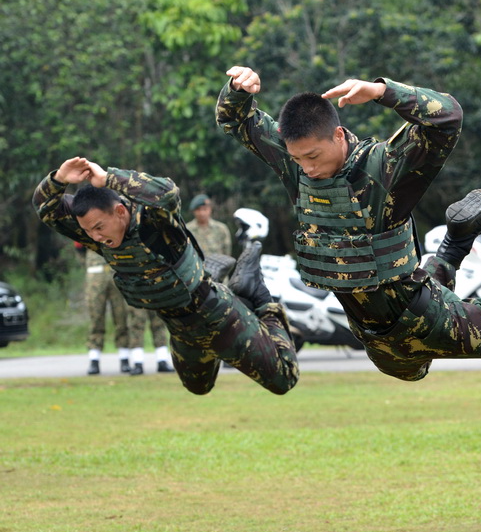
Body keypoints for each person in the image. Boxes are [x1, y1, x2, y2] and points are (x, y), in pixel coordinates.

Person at [216, 65, 481, 381]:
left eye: (314, 156)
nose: (308, 168)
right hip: (374, 337)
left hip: (422, 316)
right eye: (299, 159)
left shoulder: (383, 169)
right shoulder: (296, 162)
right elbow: (236, 120)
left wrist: (383, 91)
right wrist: (238, 88)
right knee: (408, 370)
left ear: (337, 135)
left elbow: (448, 117)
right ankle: (455, 242)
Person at [34, 157, 299, 395]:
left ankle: (256, 295)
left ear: (120, 211)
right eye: (89, 231)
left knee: (284, 379)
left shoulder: (154, 223)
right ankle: (207, 274)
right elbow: (45, 208)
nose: (95, 236)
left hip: (217, 316)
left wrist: (108, 178)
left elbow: (167, 192)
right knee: (199, 388)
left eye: (99, 227)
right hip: (180, 326)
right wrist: (58, 179)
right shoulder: (98, 235)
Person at [82, 248, 132, 375]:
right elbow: (79, 246)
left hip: (117, 272)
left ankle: (124, 358)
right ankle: (94, 360)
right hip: (95, 273)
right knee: (96, 317)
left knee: (121, 318)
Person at [127, 307, 175, 375]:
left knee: (159, 323)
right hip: (138, 297)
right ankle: (138, 363)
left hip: (155, 297)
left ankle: (162, 361)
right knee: (136, 324)